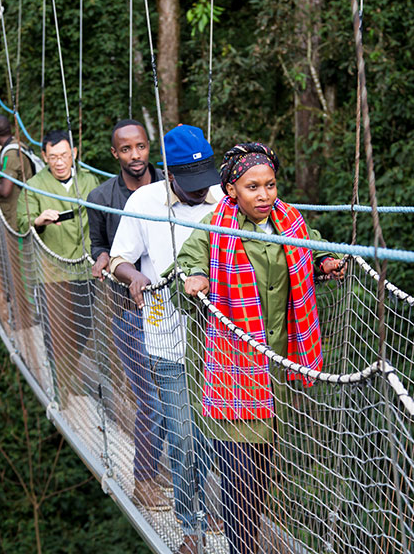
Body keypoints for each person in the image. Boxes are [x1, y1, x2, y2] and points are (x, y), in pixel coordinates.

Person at [174, 142, 344, 554]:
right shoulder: (216, 230)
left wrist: (324, 259)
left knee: (264, 465)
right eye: (252, 187)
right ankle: (241, 546)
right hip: (235, 367)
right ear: (231, 189)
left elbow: (313, 242)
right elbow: (185, 266)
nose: (264, 195)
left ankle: (244, 541)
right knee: (241, 467)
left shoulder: (290, 222)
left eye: (269, 185)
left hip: (278, 366)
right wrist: (194, 277)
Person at [110, 124, 224, 554]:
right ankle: (191, 528)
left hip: (217, 344)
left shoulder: (226, 204)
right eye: (190, 185)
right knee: (181, 435)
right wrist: (134, 276)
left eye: (205, 182)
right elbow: (119, 257)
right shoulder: (143, 202)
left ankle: (201, 505)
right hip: (165, 338)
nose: (201, 192)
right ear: (170, 175)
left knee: (212, 437)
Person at [86, 119, 170, 512]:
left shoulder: (174, 188)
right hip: (128, 312)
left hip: (174, 310)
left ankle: (183, 484)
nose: (134, 156)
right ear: (114, 153)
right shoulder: (101, 195)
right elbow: (99, 246)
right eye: (125, 149)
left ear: (147, 146)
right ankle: (145, 481)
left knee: (182, 402)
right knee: (151, 401)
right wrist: (103, 259)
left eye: (140, 147)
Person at [17, 129, 100, 400]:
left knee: (84, 326)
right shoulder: (34, 184)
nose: (60, 162)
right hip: (51, 272)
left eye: (64, 155)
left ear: (74, 153)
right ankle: (61, 390)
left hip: (85, 267)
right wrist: (38, 221)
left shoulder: (90, 181)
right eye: (53, 157)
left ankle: (68, 374)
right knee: (57, 331)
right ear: (44, 157)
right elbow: (21, 222)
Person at [0, 114, 34, 228]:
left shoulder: (9, 155)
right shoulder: (17, 144)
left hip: (16, 212)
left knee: (18, 245)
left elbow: (5, 191)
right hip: (22, 207)